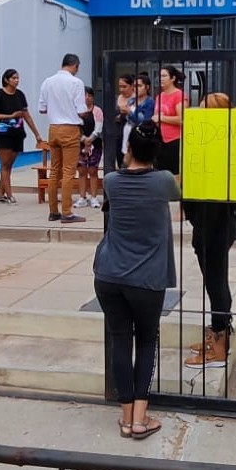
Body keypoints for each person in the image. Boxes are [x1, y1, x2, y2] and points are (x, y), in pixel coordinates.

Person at [93, 121, 179, 439]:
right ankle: (141, 420)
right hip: (146, 279)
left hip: (108, 275)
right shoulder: (164, 182)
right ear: (158, 151)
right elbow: (178, 191)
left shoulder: (112, 181)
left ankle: (126, 416)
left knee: (120, 340)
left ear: (128, 149)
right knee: (145, 342)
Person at [182, 93, 236, 370]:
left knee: (215, 280)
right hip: (216, 222)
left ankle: (218, 348)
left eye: (202, 109)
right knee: (216, 278)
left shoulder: (216, 146)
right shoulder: (227, 143)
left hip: (214, 223)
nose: (196, 112)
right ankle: (219, 331)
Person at [38, 54, 90, 224]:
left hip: (53, 128)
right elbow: (81, 109)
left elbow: (42, 109)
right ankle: (67, 212)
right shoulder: (76, 83)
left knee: (54, 171)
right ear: (75, 65)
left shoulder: (47, 81)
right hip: (70, 128)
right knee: (68, 171)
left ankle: (53, 211)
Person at [0, 69, 44, 205]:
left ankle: (1, 194)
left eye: (17, 78)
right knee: (5, 165)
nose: (16, 80)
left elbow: (26, 115)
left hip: (17, 134)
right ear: (7, 80)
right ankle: (10, 195)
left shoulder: (20, 95)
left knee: (9, 165)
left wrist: (36, 134)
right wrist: (10, 116)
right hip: (3, 134)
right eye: (13, 78)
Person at [153, 65, 187, 179]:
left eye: (164, 76)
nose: (161, 78)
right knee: (159, 172)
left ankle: (175, 196)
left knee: (174, 173)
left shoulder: (179, 95)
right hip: (159, 139)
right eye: (160, 76)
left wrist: (161, 118)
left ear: (173, 78)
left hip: (174, 139)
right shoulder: (159, 96)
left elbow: (182, 119)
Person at [76, 86, 104, 209]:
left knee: (93, 170)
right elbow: (75, 128)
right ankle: (82, 197)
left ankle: (94, 197)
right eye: (84, 95)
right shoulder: (76, 111)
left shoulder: (97, 111)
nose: (87, 98)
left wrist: (89, 140)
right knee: (81, 171)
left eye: (89, 95)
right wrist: (83, 139)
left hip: (95, 143)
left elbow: (98, 129)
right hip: (79, 144)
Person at [124, 74, 156, 160]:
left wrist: (130, 113)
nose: (136, 88)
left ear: (147, 87)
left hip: (140, 135)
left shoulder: (149, 102)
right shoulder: (131, 100)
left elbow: (145, 121)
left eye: (139, 86)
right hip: (128, 131)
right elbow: (128, 117)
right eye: (134, 86)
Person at [110, 74, 135, 172]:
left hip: (131, 132)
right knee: (119, 158)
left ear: (132, 86)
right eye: (120, 86)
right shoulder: (116, 99)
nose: (121, 89)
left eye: (124, 87)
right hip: (117, 132)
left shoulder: (136, 99)